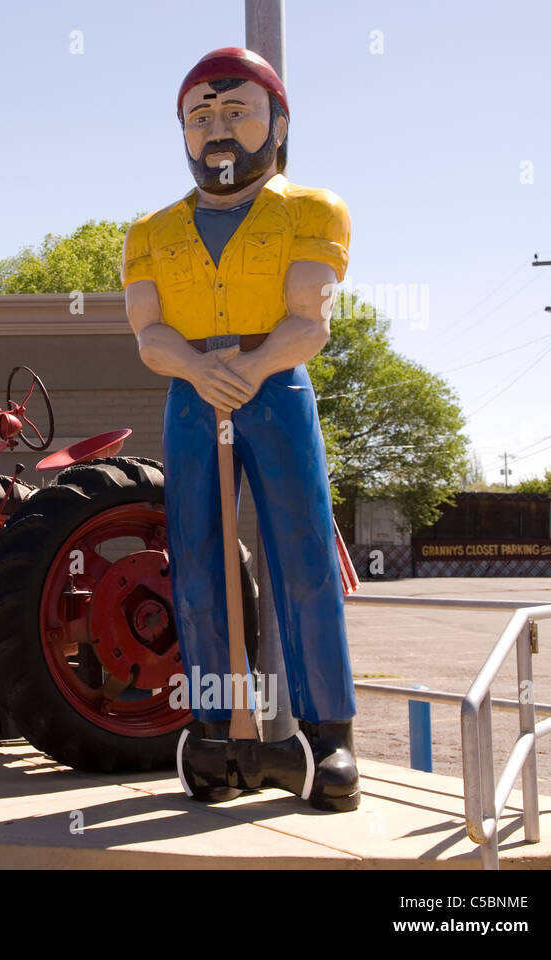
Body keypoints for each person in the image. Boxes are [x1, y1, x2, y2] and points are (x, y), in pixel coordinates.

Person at [121, 47, 358, 811]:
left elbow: (310, 319)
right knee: (196, 562)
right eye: (201, 115)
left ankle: (327, 733)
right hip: (193, 397)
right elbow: (149, 335)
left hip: (276, 387)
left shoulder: (312, 210)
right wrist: (200, 369)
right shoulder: (150, 232)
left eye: (236, 110)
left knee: (304, 557)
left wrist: (250, 369)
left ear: (277, 124)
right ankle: (215, 727)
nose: (217, 128)